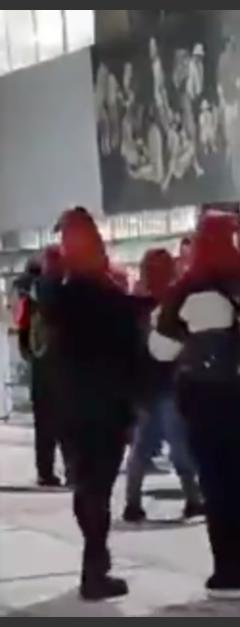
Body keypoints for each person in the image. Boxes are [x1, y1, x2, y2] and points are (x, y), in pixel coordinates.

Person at [157, 211, 240, 599]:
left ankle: (229, 570)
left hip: (209, 402)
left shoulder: (191, 291)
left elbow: (161, 349)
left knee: (219, 483)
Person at [38, 207, 146, 600]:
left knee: (85, 486)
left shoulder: (59, 297)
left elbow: (46, 331)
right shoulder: (113, 298)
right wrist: (136, 404)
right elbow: (133, 353)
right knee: (98, 487)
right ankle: (95, 570)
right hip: (108, 406)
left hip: (70, 405)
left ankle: (95, 564)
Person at [123, 249, 204, 523]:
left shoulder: (141, 307)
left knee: (148, 446)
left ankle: (134, 502)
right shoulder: (153, 306)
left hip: (158, 385)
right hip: (161, 385)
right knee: (171, 445)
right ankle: (191, 499)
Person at [15, 249, 72, 487]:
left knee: (44, 423)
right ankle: (72, 470)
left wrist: (29, 354)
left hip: (40, 364)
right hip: (62, 364)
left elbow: (22, 330)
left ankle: (45, 472)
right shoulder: (63, 290)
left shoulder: (28, 295)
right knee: (68, 422)